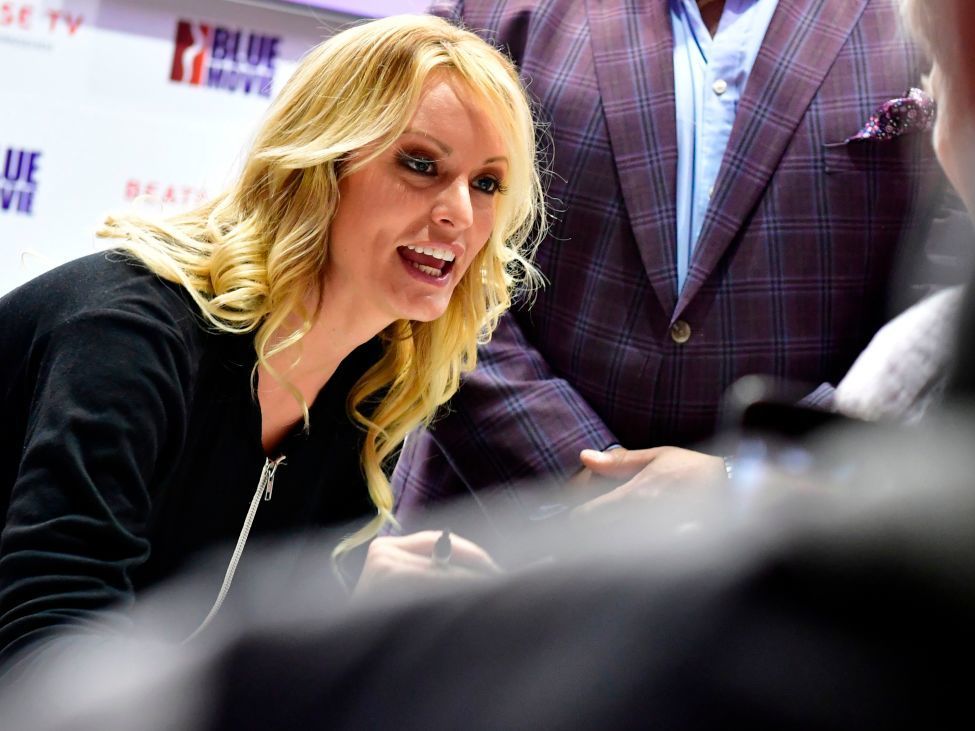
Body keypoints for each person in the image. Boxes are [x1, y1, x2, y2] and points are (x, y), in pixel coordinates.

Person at [0, 14, 546, 672]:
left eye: (486, 183)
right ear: (320, 164)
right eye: (421, 164)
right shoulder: (131, 332)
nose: (459, 212)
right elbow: (48, 642)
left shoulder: (371, 386)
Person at [393, 0, 974, 527]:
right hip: (489, 516)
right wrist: (589, 468)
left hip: (782, 554)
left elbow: (945, 304)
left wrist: (742, 475)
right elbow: (415, 252)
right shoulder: (500, 11)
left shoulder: (925, 18)